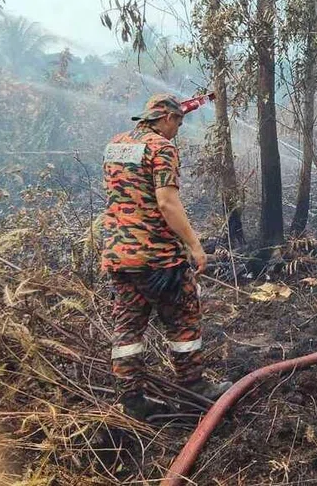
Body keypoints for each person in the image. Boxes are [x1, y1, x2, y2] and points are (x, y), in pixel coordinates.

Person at [101, 93, 230, 420]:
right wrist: (194, 246)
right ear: (167, 118)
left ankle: (132, 400)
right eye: (178, 123)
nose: (177, 130)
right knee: (184, 315)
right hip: (157, 256)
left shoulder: (115, 145)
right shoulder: (162, 147)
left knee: (128, 327)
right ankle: (193, 388)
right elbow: (167, 203)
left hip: (120, 255)